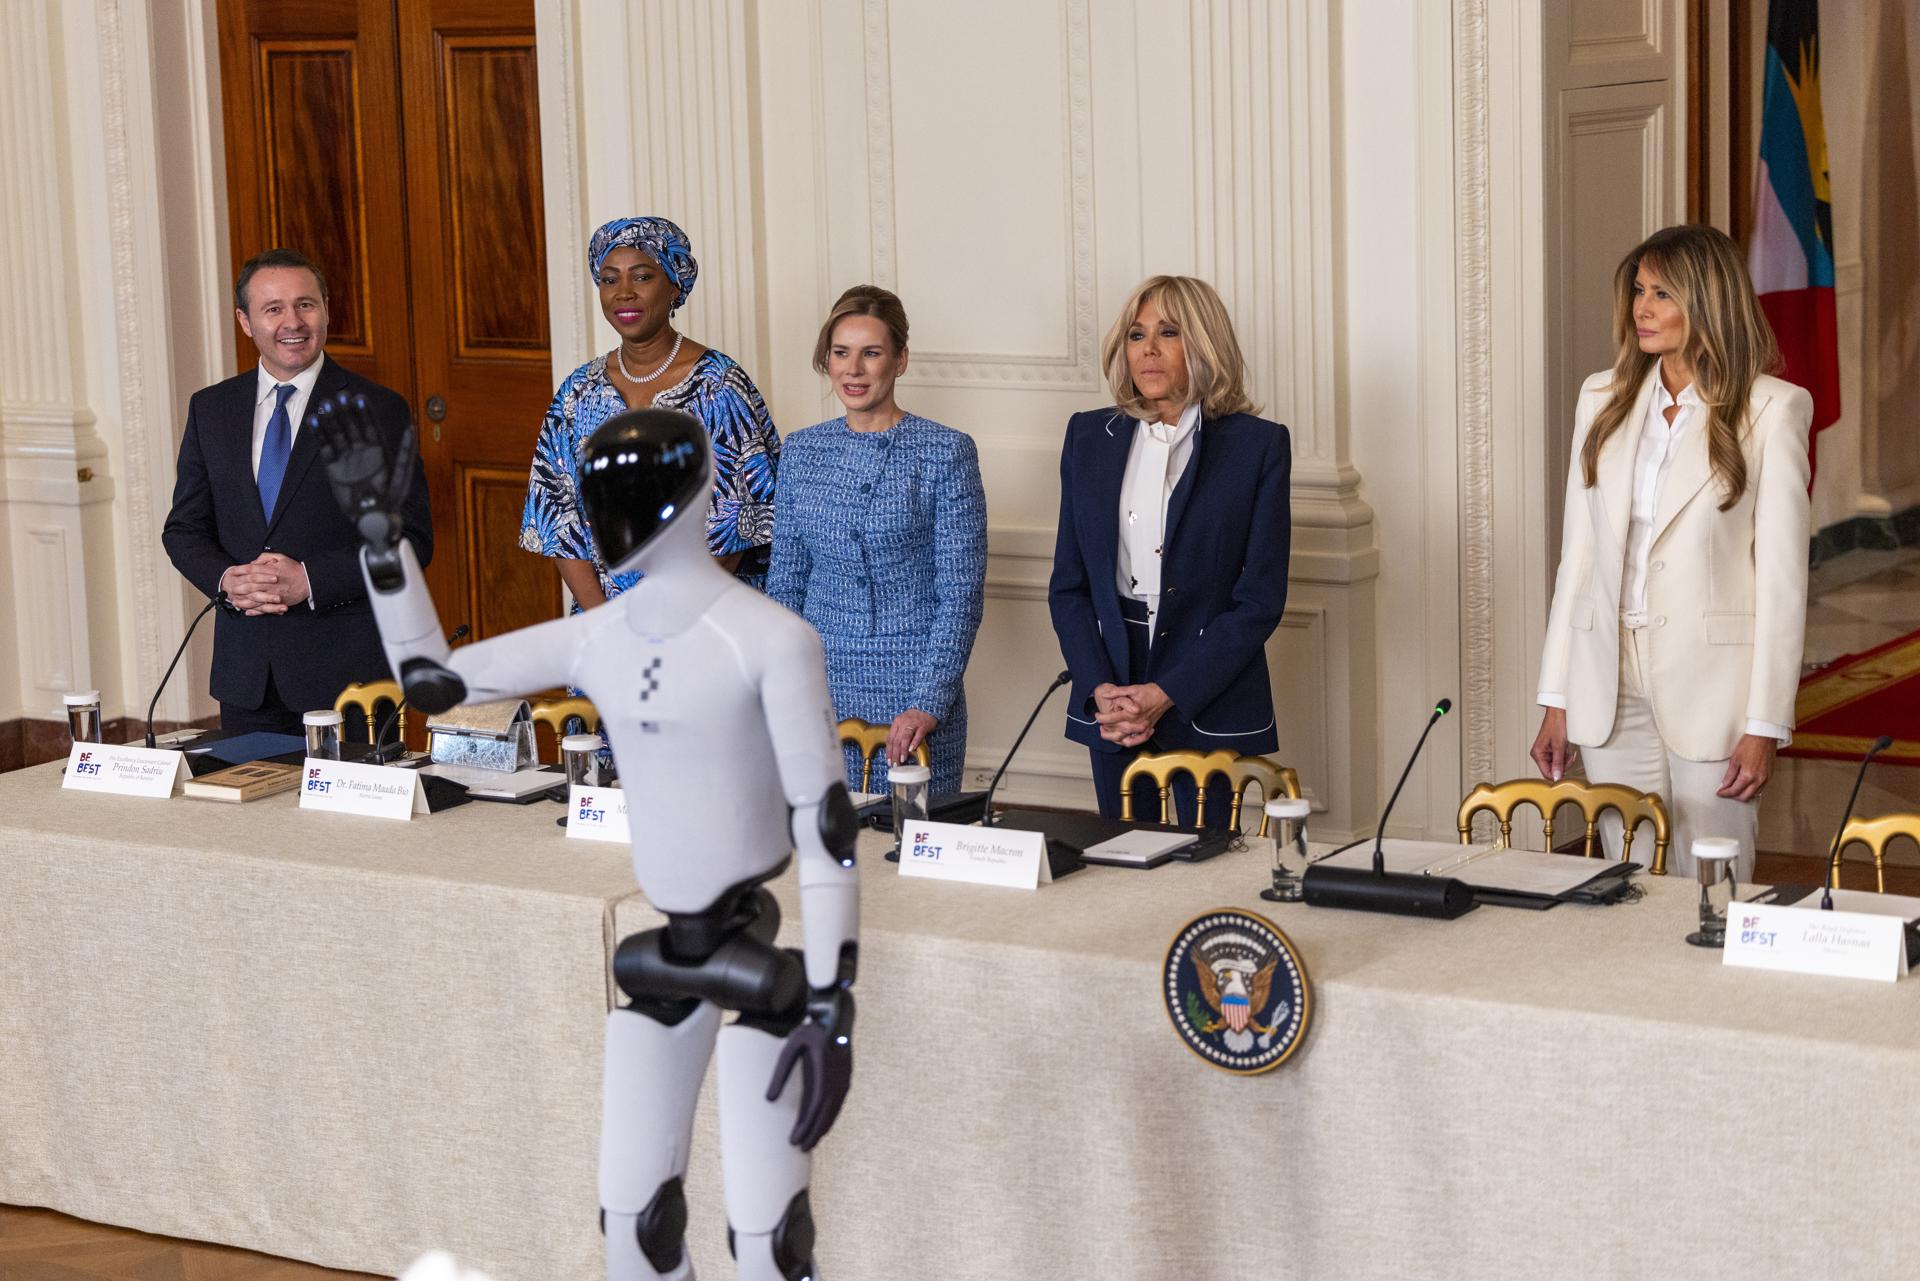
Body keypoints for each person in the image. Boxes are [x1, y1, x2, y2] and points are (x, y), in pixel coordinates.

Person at [1531, 224, 1811, 881]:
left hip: (1715, 685)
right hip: (1608, 674)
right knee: (1626, 877)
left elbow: (1782, 584)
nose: (1643, 309)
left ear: (1708, 301)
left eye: (1662, 293)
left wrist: (1765, 723)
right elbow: (1578, 560)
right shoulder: (1601, 398)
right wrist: (1556, 694)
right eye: (1639, 291)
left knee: (1714, 881)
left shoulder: (1772, 410)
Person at [1047, 275, 1292, 822]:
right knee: (1120, 856)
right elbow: (1069, 587)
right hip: (1112, 687)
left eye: (1169, 333)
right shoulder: (1088, 437)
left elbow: (1259, 600)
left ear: (1204, 343)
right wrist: (1098, 687)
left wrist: (1168, 692)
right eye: (1136, 335)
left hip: (1211, 683)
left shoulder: (1257, 446)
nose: (1148, 350)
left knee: (1211, 858)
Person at [160, 248, 431, 734]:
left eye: (305, 305)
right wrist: (226, 579)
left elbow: (410, 540)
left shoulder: (378, 409)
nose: (293, 322)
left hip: (349, 679)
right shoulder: (211, 410)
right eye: (273, 309)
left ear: (326, 310)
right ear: (245, 321)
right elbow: (183, 529)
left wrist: (310, 579)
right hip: (248, 677)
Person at [767, 286, 987, 794]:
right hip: (816, 692)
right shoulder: (801, 450)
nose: (853, 369)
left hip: (913, 695)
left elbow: (960, 595)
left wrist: (929, 702)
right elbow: (786, 585)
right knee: (818, 834)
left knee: (910, 836)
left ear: (900, 359)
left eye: (871, 353)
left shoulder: (946, 452)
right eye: (841, 353)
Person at [521, 216, 779, 601]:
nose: (623, 293)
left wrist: (666, 620)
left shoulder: (718, 385)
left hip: (705, 610)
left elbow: (738, 525)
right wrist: (604, 621)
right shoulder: (578, 392)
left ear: (674, 286)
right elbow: (557, 517)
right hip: (607, 617)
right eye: (609, 279)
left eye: (642, 277)